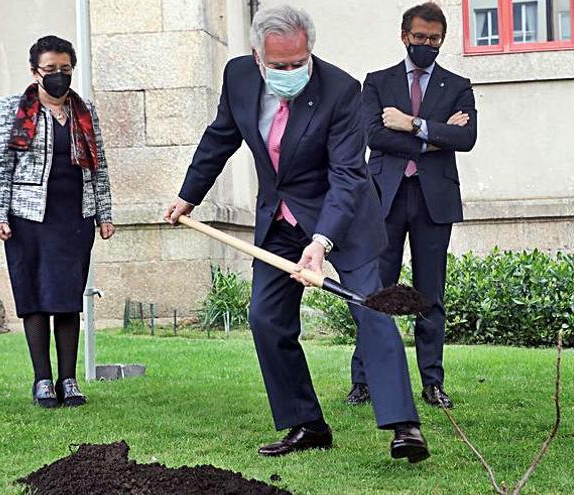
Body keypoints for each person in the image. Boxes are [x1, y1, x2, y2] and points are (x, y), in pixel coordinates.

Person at [164, 5, 430, 462]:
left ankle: (404, 426)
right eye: (279, 66)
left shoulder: (342, 91)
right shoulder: (239, 78)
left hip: (341, 219)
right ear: (256, 56)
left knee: (371, 309)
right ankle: (306, 424)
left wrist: (321, 242)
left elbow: (347, 174)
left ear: (310, 52)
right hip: (278, 219)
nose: (291, 73)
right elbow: (220, 137)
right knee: (267, 319)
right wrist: (189, 196)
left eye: (298, 63)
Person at [347, 2, 477, 410]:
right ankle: (364, 380)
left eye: (434, 39)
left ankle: (432, 382)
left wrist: (413, 124)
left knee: (430, 293)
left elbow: (468, 138)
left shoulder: (457, 85)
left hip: (433, 201)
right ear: (404, 36)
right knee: (374, 294)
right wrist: (436, 139)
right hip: (383, 199)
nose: (426, 45)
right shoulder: (377, 82)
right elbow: (373, 136)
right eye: (419, 38)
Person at [0, 35, 115, 408]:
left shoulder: (84, 111)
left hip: (74, 216)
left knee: (68, 297)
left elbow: (99, 166)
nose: (59, 76)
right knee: (36, 297)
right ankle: (43, 380)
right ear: (35, 72)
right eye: (51, 70)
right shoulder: (12, 108)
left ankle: (68, 379)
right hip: (26, 219)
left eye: (65, 69)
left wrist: (104, 214)